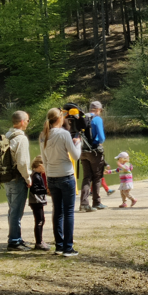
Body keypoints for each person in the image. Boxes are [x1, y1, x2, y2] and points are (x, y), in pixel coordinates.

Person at [40, 108, 82, 257]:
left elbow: (44, 160)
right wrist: (78, 143)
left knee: (57, 211)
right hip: (66, 175)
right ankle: (68, 248)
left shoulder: (43, 135)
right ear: (60, 119)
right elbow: (76, 156)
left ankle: (59, 245)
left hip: (51, 176)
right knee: (68, 212)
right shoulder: (64, 134)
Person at [4, 111, 33, 251]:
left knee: (12, 209)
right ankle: (14, 240)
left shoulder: (7, 136)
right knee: (16, 211)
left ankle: (15, 237)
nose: (28, 122)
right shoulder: (21, 139)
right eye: (27, 120)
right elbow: (23, 162)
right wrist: (28, 178)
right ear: (22, 122)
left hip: (7, 178)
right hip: (17, 178)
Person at [80, 101, 107, 212]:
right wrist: (97, 143)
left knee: (86, 177)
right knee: (97, 177)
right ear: (98, 110)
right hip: (94, 151)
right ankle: (96, 202)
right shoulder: (97, 119)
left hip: (82, 152)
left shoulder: (82, 118)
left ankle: (84, 203)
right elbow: (101, 137)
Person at [29, 156, 50, 251]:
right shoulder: (36, 176)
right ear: (40, 165)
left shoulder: (37, 175)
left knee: (41, 220)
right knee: (39, 221)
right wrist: (46, 191)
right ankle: (38, 242)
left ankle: (40, 241)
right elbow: (35, 189)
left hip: (37, 202)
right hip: (36, 201)